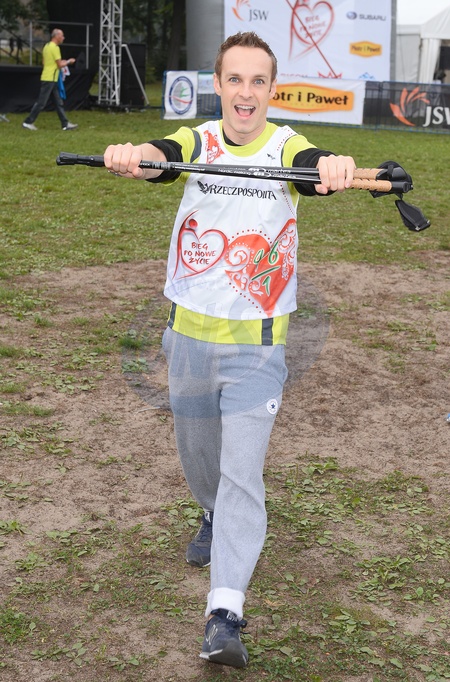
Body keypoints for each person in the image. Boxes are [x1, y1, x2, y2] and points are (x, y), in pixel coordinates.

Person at [104, 31, 355, 669]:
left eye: (258, 81)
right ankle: (211, 511)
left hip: (259, 346)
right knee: (201, 461)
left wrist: (332, 167)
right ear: (218, 86)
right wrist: (136, 155)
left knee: (242, 474)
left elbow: (314, 164)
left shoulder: (285, 145)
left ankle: (225, 612)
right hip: (188, 336)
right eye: (235, 80)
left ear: (272, 90)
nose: (246, 93)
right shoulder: (201, 139)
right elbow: (164, 156)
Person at [22, 28, 78, 131]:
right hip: (50, 79)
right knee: (41, 102)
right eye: (62, 36)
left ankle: (65, 124)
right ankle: (28, 122)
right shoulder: (55, 48)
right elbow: (59, 64)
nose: (63, 38)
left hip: (50, 77)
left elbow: (44, 62)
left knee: (58, 102)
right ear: (57, 36)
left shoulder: (47, 46)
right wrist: (69, 61)